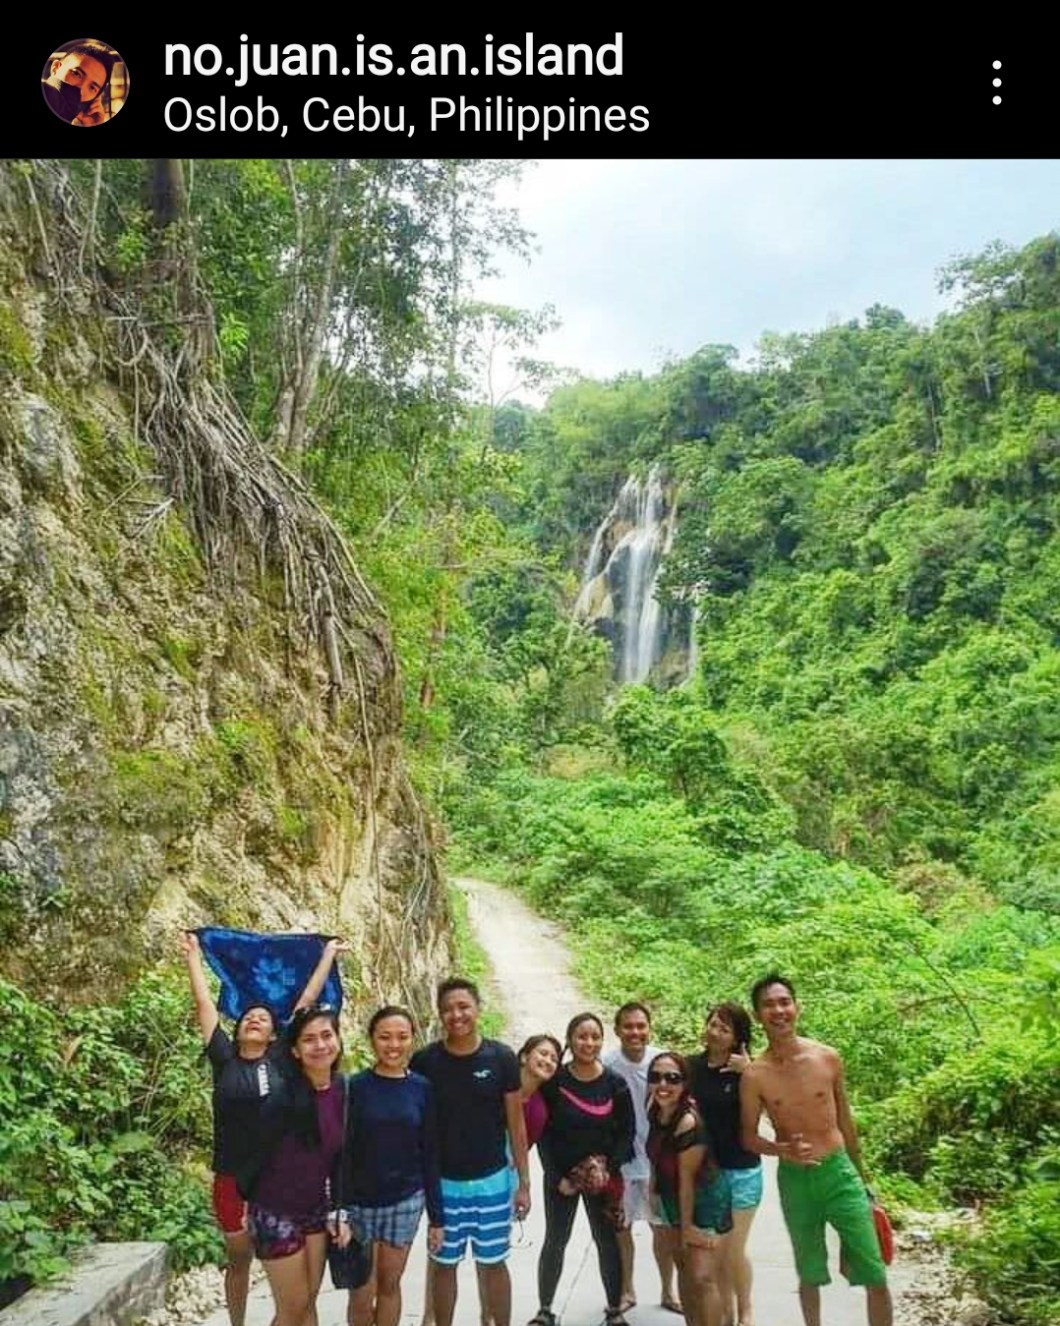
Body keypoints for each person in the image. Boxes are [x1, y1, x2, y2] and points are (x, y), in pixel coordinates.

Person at [181, 932, 346, 1326]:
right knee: (239, 1261)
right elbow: (204, 1005)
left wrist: (327, 955)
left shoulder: (281, 1061)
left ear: (275, 1035)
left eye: (263, 1017)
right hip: (233, 1178)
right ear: (237, 1030)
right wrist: (193, 957)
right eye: (248, 1017)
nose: (254, 1018)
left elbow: (306, 1002)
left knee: (300, 1301)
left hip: (279, 1181)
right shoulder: (225, 1060)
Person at [740, 975, 892, 1326]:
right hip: (796, 1180)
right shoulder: (755, 1075)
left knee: (874, 1272)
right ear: (758, 1015)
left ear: (797, 1007)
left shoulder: (827, 1058)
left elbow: (846, 1122)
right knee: (809, 1274)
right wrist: (782, 1149)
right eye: (769, 1005)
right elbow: (747, 1137)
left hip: (839, 1172)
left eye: (785, 1002)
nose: (779, 1011)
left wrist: (862, 1179)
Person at [410, 978, 530, 1326]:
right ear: (439, 1014)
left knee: (494, 1263)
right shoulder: (425, 1062)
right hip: (444, 1184)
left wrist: (524, 1183)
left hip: (493, 1181)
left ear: (478, 1008)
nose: (456, 1015)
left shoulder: (501, 1058)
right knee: (444, 1265)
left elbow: (516, 1124)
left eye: (463, 1006)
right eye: (448, 1009)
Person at [332, 1006, 444, 1326]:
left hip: (405, 1201)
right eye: (385, 1037)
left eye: (402, 1037)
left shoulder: (422, 1088)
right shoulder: (353, 1087)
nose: (394, 1045)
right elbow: (341, 1152)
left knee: (390, 1285)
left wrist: (437, 1217)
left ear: (412, 1040)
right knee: (361, 1291)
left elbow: (430, 1153)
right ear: (372, 1040)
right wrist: (339, 1208)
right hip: (359, 1204)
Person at [245, 1004, 353, 1326]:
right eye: (309, 1039)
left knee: (307, 1305)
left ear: (338, 1040)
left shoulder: (344, 1090)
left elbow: (340, 1157)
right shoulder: (281, 1095)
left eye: (326, 1035)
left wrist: (339, 1209)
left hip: (315, 1210)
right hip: (274, 1212)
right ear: (294, 1050)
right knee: (291, 1310)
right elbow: (252, 1151)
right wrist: (244, 1201)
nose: (320, 1045)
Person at [530, 1013, 635, 1326]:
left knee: (607, 1241)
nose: (589, 1043)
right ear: (570, 1041)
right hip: (562, 1178)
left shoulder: (614, 1083)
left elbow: (626, 1132)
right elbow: (543, 1134)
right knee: (555, 1240)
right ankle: (545, 1310)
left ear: (602, 1040)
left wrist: (607, 1168)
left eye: (595, 1037)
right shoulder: (555, 1082)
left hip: (602, 1178)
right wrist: (557, 1176)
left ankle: (614, 1310)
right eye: (581, 1036)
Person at [474, 1033, 562, 1326]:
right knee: (444, 1252)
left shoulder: (538, 1110)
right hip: (467, 1169)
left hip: (503, 1177)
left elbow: (521, 1152)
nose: (547, 1060)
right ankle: (431, 1316)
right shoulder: (495, 1087)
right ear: (524, 1056)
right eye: (543, 1053)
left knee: (491, 1255)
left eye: (554, 1058)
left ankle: (488, 1315)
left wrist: (522, 1187)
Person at [603, 1002, 681, 1314]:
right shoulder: (607, 1065)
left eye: (640, 1026)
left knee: (662, 1229)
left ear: (650, 1028)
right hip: (622, 1163)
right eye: (628, 1026)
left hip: (657, 1161)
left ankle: (668, 1291)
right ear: (617, 1030)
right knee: (621, 1228)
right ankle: (627, 1290)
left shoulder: (662, 1064)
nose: (635, 1032)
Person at [646, 1052, 732, 1326]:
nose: (663, 1084)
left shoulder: (687, 1121)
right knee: (683, 1266)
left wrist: (688, 1228)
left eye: (672, 1078)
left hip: (703, 1201)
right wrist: (653, 1194)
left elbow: (687, 1181)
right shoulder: (655, 1108)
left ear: (684, 1083)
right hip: (671, 1197)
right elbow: (657, 1155)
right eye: (655, 1077)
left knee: (702, 1277)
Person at [689, 1003, 761, 1326]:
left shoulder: (747, 1070)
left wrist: (750, 1072)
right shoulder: (691, 1067)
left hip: (742, 1170)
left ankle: (745, 1310)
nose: (715, 1032)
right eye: (713, 1024)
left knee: (732, 1250)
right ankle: (727, 1315)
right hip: (706, 1172)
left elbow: (770, 1107)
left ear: (737, 1038)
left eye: (724, 1029)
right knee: (716, 1251)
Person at [41, 40, 115, 125]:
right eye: (76, 74)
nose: (81, 89)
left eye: (92, 87)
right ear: (56, 68)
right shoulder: (48, 91)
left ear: (95, 98)